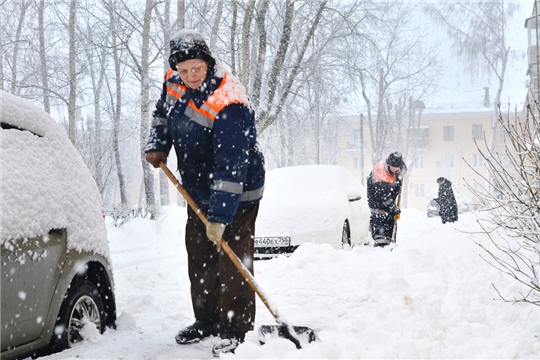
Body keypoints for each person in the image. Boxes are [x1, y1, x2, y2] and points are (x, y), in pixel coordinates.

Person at [144, 29, 265, 356]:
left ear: (208, 63)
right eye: (183, 71)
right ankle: (208, 320)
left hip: (237, 194)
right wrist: (157, 144)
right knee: (199, 257)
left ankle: (237, 328)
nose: (190, 76)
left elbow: (231, 166)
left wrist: (220, 217)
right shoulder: (174, 79)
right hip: (197, 189)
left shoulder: (230, 102)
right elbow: (162, 113)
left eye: (196, 69)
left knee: (231, 260)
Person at [366, 151, 406, 247]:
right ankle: (381, 245)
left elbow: (403, 167)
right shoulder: (380, 176)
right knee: (381, 222)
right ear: (389, 165)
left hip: (388, 196)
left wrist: (401, 173)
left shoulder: (394, 161)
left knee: (391, 218)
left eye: (398, 168)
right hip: (377, 201)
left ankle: (390, 241)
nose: (397, 170)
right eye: (395, 169)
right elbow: (384, 198)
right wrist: (393, 208)